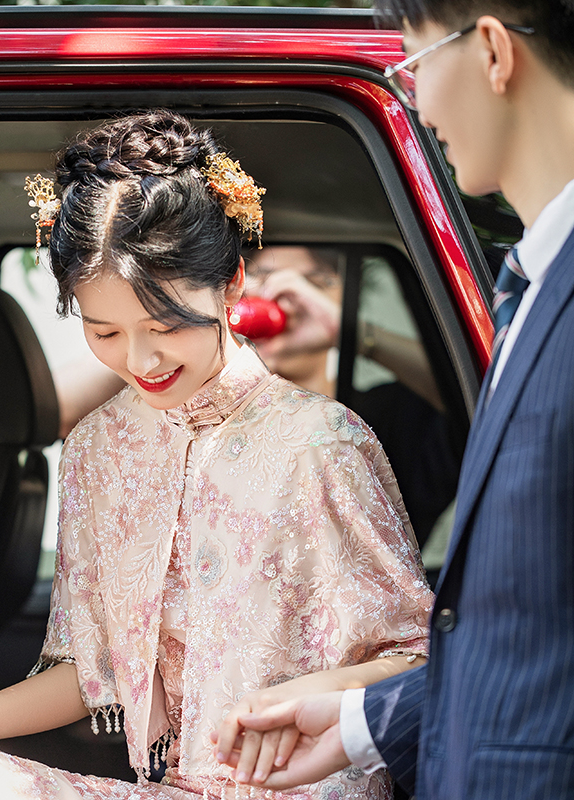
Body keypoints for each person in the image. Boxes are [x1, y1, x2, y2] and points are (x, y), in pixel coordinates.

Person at [0, 111, 433, 800]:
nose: (140, 360)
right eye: (105, 331)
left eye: (165, 324)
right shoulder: (97, 449)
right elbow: (95, 672)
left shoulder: (321, 443)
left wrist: (318, 691)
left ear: (233, 284)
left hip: (307, 791)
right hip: (168, 790)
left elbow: (421, 662)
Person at [212, 2, 574, 798]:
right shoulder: (531, 288)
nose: (417, 101)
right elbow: (531, 637)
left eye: (413, 66)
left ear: (490, 52)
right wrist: (360, 723)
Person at [243, 245, 460, 550]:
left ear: (344, 296)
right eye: (260, 277)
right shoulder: (207, 416)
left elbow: (474, 395)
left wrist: (351, 331)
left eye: (313, 282)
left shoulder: (384, 418)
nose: (281, 298)